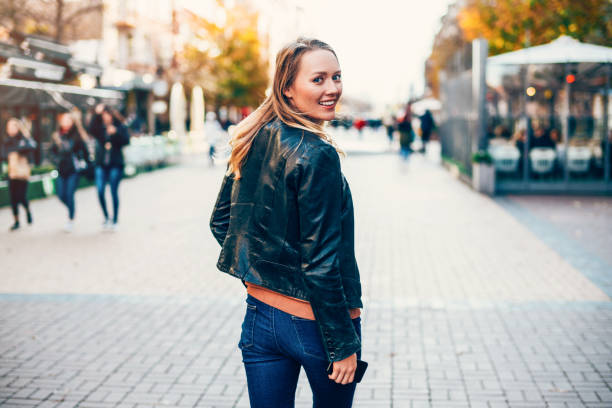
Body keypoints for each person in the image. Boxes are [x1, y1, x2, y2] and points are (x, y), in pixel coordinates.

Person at [210, 38, 363, 408]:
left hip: (261, 318)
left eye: (336, 77)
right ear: (288, 90)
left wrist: (265, 276)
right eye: (319, 79)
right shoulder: (318, 154)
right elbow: (321, 261)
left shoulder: (254, 137)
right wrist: (342, 345)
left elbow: (222, 223)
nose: (332, 88)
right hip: (319, 327)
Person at [89, 104, 130, 231]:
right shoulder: (100, 128)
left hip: (115, 164)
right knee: (100, 190)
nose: (105, 117)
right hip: (101, 163)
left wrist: (116, 133)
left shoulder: (119, 126)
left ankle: (115, 220)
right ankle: (106, 217)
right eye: (103, 115)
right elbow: (90, 129)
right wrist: (96, 113)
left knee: (113, 191)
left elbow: (126, 141)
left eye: (107, 114)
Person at [51, 111, 90, 232]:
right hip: (61, 169)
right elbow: (51, 152)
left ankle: (71, 218)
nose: (66, 123)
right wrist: (56, 160)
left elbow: (85, 152)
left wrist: (85, 164)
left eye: (68, 120)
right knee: (61, 195)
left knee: (69, 194)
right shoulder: (57, 136)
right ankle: (71, 209)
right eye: (64, 120)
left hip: (74, 170)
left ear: (73, 122)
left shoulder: (77, 136)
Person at [2, 118, 37, 231]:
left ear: (18, 127)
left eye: (13, 126)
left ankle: (27, 210)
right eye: (9, 127)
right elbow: (3, 155)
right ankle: (16, 221)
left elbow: (31, 146)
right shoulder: (6, 141)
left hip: (22, 173)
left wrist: (18, 148)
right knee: (13, 198)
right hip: (12, 173)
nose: (11, 129)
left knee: (21, 197)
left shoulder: (23, 139)